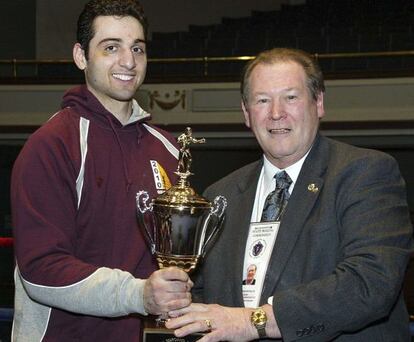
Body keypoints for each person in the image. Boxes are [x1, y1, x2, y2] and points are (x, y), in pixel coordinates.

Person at [165, 48, 414, 341]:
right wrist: (172, 293)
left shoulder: (365, 173)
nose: (276, 113)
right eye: (262, 100)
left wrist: (254, 321)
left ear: (318, 102)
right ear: (246, 113)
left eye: (291, 97)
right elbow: (206, 295)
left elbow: (370, 283)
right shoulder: (221, 195)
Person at [11, 1, 192, 341]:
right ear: (81, 56)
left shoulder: (168, 150)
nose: (128, 61)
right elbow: (41, 271)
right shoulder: (52, 145)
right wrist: (137, 294)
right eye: (111, 47)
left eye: (137, 48)